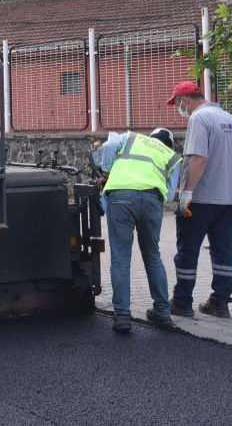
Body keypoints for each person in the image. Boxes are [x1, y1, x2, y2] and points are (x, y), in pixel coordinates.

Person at [166, 81, 232, 319]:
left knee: (187, 249)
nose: (181, 110)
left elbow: (198, 159)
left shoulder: (199, 119)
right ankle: (220, 302)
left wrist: (186, 193)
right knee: (223, 249)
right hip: (229, 198)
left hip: (202, 198)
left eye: (179, 105)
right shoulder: (228, 118)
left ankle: (182, 302)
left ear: (185, 101)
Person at [93, 127, 181, 334]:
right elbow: (169, 196)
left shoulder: (131, 137)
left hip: (121, 197)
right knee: (152, 256)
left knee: (121, 258)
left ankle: (122, 316)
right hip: (152, 201)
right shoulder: (172, 156)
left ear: (151, 137)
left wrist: (107, 169)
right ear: (169, 143)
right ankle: (162, 311)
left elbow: (109, 145)